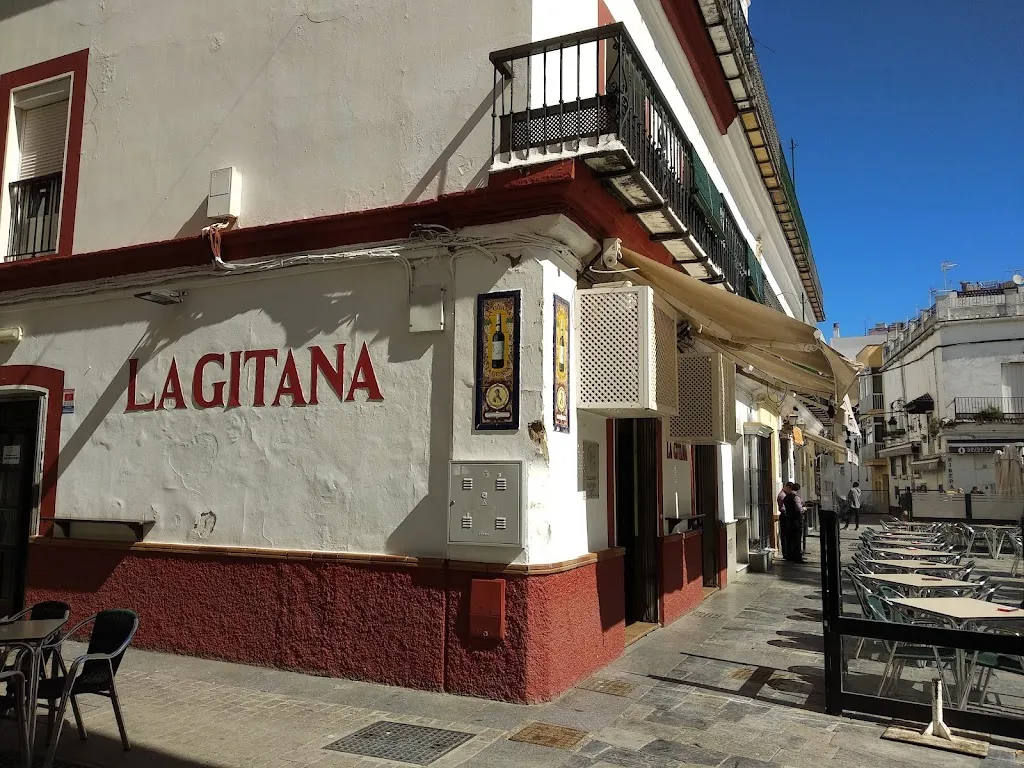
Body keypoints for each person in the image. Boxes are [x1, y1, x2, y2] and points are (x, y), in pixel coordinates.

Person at [782, 483, 806, 563]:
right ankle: (797, 557)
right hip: (796, 521)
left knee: (790, 539)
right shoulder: (796, 498)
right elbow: (799, 509)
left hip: (788, 520)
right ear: (798, 490)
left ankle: (790, 555)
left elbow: (784, 508)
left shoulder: (786, 497)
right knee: (797, 539)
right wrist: (803, 510)